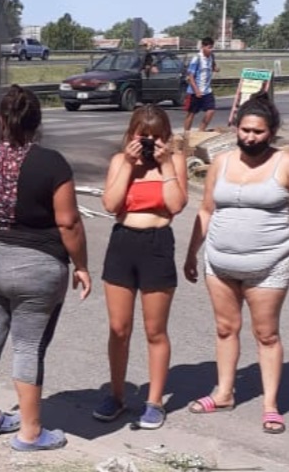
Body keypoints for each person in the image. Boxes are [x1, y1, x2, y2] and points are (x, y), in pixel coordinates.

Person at [0, 84, 91, 452]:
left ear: (0, 121)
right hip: (36, 268)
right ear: (37, 124)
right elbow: (69, 223)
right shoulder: (52, 163)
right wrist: (82, 266)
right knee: (28, 346)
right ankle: (30, 432)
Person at [184, 93, 289, 435]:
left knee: (267, 334)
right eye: (245, 130)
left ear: (272, 132)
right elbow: (206, 210)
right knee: (225, 329)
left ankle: (270, 405)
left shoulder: (284, 163)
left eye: (258, 132)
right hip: (220, 263)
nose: (250, 137)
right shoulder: (222, 162)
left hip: (269, 266)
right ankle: (224, 392)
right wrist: (191, 253)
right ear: (236, 128)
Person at [93, 104, 188, 430]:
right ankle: (117, 395)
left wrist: (164, 165)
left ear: (166, 138)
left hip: (157, 244)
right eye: (142, 136)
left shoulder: (174, 162)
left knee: (154, 330)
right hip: (123, 243)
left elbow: (176, 205)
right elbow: (110, 204)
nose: (148, 142)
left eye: (155, 137)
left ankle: (154, 400)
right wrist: (129, 164)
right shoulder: (120, 162)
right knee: (119, 329)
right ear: (131, 135)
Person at [183, 37, 220, 132]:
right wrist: (196, 90)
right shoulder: (197, 59)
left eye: (212, 47)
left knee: (211, 110)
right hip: (195, 91)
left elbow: (213, 65)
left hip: (207, 90)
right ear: (203, 47)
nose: (211, 50)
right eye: (209, 47)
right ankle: (186, 134)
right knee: (191, 113)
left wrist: (215, 68)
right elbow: (190, 76)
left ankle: (201, 131)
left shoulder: (212, 56)